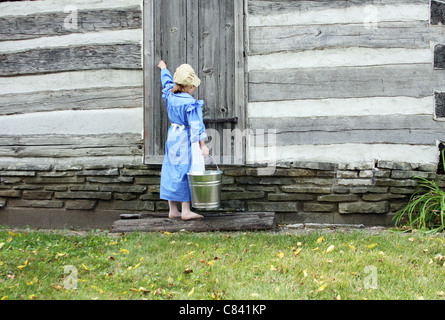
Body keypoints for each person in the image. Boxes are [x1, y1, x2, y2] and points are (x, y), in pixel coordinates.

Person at [157, 60, 209, 221]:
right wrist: (203, 145)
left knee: (171, 168)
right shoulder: (190, 103)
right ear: (190, 87)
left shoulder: (169, 94)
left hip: (172, 136)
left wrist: (164, 69)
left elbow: (166, 81)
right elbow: (196, 126)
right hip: (185, 139)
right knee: (185, 170)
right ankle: (185, 210)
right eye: (193, 86)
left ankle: (173, 209)